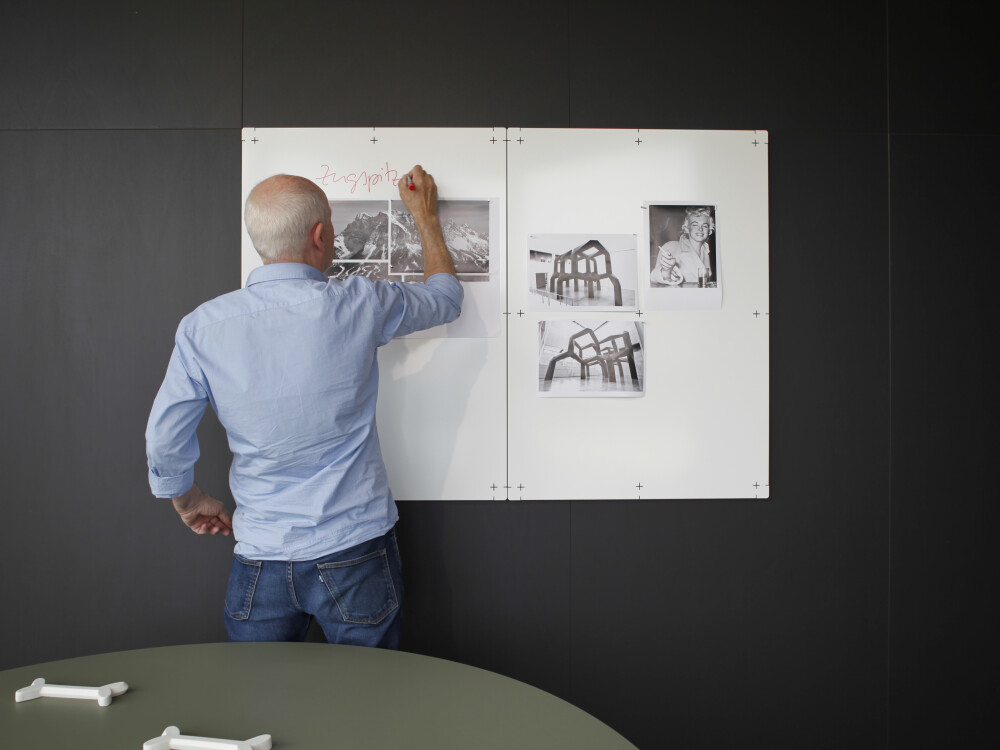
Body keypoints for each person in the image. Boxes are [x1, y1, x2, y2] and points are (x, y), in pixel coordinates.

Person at [144, 166, 462, 649]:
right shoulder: (360, 302)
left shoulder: (201, 327)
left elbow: (164, 438)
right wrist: (424, 216)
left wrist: (188, 500)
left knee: (260, 713)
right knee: (368, 704)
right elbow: (445, 297)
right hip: (356, 551)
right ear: (320, 235)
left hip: (260, 557)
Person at [649, 206, 715, 285]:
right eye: (695, 225)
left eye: (704, 226)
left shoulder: (705, 250)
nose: (700, 229)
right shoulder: (671, 247)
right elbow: (654, 278)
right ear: (687, 228)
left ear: (710, 230)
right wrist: (666, 272)